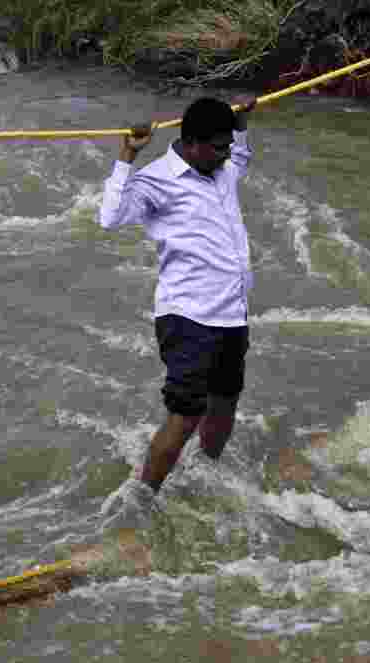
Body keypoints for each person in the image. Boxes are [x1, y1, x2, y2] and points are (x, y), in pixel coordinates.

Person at [97, 95, 258, 531]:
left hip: (230, 314)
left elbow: (239, 154)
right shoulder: (158, 181)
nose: (228, 155)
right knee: (186, 414)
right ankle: (139, 506)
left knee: (225, 402)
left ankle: (206, 473)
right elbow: (110, 217)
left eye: (228, 146)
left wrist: (240, 124)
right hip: (188, 317)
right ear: (191, 144)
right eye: (218, 147)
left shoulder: (221, 169)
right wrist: (128, 156)